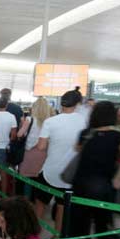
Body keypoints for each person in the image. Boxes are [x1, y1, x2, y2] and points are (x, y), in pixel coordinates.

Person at [66, 101, 120, 239]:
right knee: (103, 225)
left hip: (81, 185)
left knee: (76, 225)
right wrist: (118, 179)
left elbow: (77, 149)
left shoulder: (86, 134)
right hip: (105, 187)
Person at [34, 87, 86, 231]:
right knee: (62, 206)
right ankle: (57, 236)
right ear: (77, 104)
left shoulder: (50, 121)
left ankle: (33, 233)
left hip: (50, 169)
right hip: (70, 172)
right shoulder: (84, 122)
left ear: (61, 104)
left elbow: (41, 147)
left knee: (40, 202)